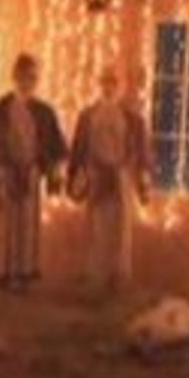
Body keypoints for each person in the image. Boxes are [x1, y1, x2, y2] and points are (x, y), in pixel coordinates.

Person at [68, 65, 152, 290]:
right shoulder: (88, 116)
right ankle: (95, 272)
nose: (109, 87)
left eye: (112, 83)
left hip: (120, 174)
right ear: (100, 84)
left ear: (118, 86)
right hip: (96, 174)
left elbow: (141, 150)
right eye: (105, 82)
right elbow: (78, 147)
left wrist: (143, 179)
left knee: (121, 227)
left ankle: (119, 274)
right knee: (96, 225)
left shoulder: (131, 118)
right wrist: (76, 174)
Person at [0, 53, 68, 292]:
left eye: (31, 78)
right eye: (23, 76)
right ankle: (6, 270)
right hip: (7, 171)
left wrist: (53, 170)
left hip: (32, 171)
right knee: (7, 223)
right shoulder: (2, 107)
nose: (27, 82)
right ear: (15, 77)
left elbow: (57, 146)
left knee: (27, 222)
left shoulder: (44, 111)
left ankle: (25, 271)